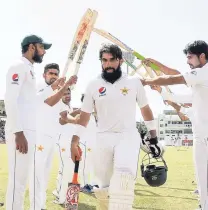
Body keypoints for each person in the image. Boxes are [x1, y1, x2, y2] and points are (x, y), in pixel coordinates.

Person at [70, 44, 161, 210]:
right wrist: (74, 141)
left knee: (123, 181)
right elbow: (84, 115)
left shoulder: (133, 82)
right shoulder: (93, 84)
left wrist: (153, 136)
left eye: (112, 60)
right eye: (104, 60)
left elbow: (145, 109)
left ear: (120, 60)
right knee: (102, 187)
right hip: (103, 138)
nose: (108, 64)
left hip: (127, 136)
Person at [142, 40, 208, 210]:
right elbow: (183, 99)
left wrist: (147, 81)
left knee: (203, 176)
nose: (188, 62)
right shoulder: (200, 80)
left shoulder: (204, 72)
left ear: (202, 56)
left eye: (190, 57)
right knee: (202, 178)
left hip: (205, 137)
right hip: (202, 136)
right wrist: (161, 91)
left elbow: (174, 77)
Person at [4, 34, 54, 210]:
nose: (44, 52)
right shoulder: (18, 66)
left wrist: (56, 88)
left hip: (28, 131)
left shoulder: (29, 69)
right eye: (42, 48)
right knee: (18, 181)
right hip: (21, 132)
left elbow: (32, 101)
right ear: (32, 47)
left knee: (21, 180)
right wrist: (18, 132)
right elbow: (10, 99)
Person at [34, 63, 77, 210]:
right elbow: (49, 102)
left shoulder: (59, 93)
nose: (53, 76)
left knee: (44, 175)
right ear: (44, 75)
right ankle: (35, 207)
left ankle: (40, 205)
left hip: (51, 138)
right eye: (50, 73)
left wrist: (78, 118)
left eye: (55, 74)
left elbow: (63, 116)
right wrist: (64, 87)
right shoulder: (40, 87)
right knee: (36, 174)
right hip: (38, 137)